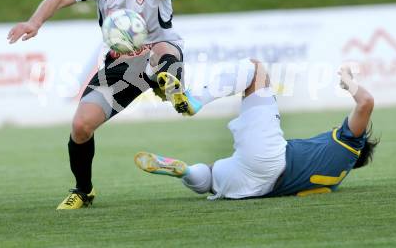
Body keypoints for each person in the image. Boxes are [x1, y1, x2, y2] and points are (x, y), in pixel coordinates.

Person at [7, 0, 217, 209]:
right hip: (120, 64)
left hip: (158, 53)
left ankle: (171, 87)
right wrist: (34, 22)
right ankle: (83, 191)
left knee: (162, 51)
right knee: (81, 126)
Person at [135, 61, 379, 199]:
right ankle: (185, 171)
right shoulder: (336, 179)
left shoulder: (350, 145)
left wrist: (347, 79)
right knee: (209, 177)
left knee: (255, 71)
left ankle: (194, 100)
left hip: (270, 157)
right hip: (261, 187)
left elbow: (365, 102)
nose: (338, 126)